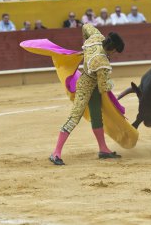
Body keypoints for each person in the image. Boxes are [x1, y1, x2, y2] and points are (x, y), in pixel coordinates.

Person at [49, 24, 125, 165]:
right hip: (85, 87)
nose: (114, 54)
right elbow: (104, 87)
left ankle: (103, 149)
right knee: (74, 117)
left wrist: (85, 42)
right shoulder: (101, 61)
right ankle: (56, 153)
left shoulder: (96, 37)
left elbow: (86, 26)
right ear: (113, 48)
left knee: (96, 115)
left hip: (88, 82)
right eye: (115, 52)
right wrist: (111, 85)